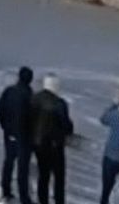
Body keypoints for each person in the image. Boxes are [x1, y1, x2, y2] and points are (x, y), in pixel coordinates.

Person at [31, 74, 75, 204]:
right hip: (55, 145)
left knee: (43, 175)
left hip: (38, 143)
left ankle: (42, 200)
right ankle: (59, 201)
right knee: (59, 177)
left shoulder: (34, 99)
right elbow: (66, 125)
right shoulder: (59, 104)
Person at [0, 66, 36, 204]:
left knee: (8, 162)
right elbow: (32, 118)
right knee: (22, 168)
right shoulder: (29, 96)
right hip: (24, 137)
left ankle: (6, 191)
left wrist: (5, 127)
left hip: (9, 133)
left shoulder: (9, 91)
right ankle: (24, 197)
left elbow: (0, 110)